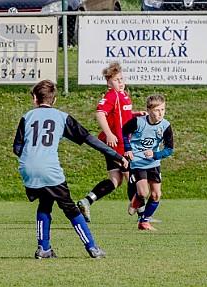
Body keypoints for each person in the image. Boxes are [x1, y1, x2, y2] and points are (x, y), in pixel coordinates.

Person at [12, 79, 128, 259]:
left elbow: (17, 148)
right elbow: (89, 139)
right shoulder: (61, 117)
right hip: (49, 169)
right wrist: (116, 156)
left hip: (27, 168)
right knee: (70, 208)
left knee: (45, 203)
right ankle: (92, 248)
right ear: (54, 100)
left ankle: (44, 248)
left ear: (34, 98)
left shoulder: (26, 117)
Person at [77, 61, 149, 223]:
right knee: (133, 176)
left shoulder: (122, 95)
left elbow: (122, 116)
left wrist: (136, 114)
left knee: (115, 181)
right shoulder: (112, 95)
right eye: (116, 80)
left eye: (121, 79)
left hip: (115, 143)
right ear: (109, 82)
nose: (121, 82)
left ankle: (86, 201)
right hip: (117, 143)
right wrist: (109, 134)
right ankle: (142, 216)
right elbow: (100, 113)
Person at [122, 94, 174, 230]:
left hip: (153, 163)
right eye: (157, 110)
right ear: (149, 110)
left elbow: (169, 149)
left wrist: (155, 154)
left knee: (157, 194)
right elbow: (124, 131)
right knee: (143, 192)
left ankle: (144, 221)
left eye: (162, 110)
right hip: (137, 162)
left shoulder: (166, 126)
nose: (160, 113)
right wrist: (128, 149)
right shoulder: (138, 122)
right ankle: (135, 203)